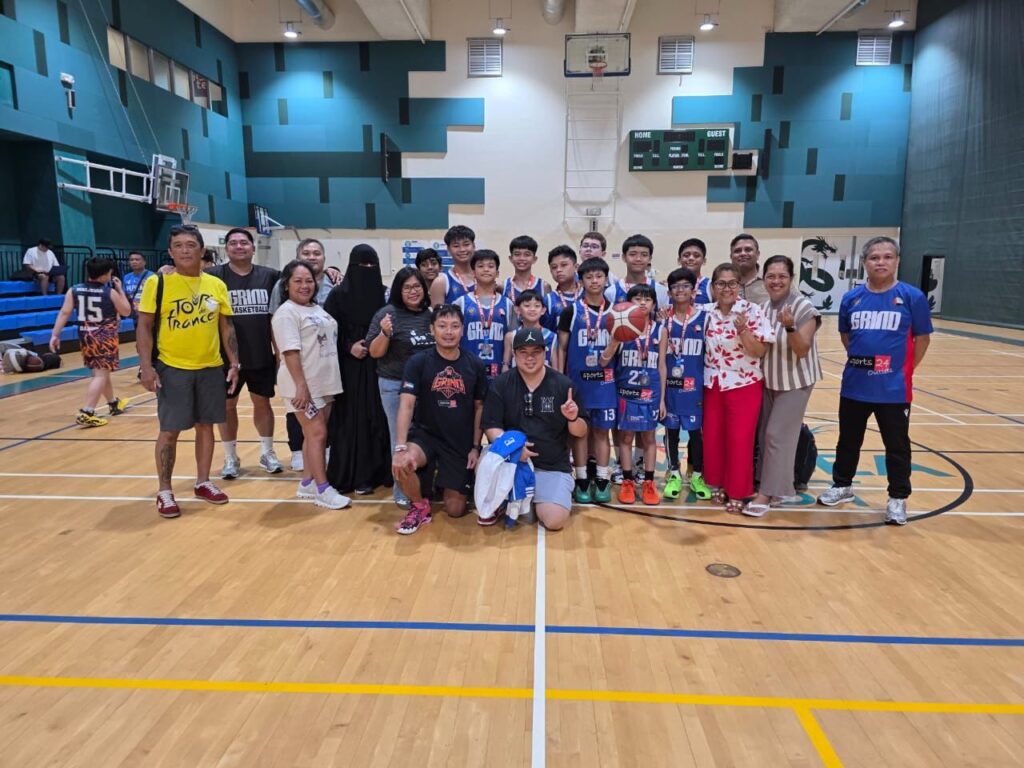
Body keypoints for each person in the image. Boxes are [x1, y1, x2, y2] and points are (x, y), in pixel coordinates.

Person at [817, 237, 932, 525]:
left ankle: (897, 497)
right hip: (855, 385)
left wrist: (902, 369)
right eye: (874, 257)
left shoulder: (912, 297)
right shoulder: (851, 298)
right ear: (865, 262)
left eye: (887, 257)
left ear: (897, 261)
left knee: (897, 445)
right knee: (848, 440)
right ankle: (842, 485)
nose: (881, 262)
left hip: (893, 389)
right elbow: (846, 336)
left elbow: (922, 339)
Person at [136, 225, 240, 519]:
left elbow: (226, 327)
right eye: (178, 245)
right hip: (173, 368)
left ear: (202, 250)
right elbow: (144, 326)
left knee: (206, 426)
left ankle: (203, 481)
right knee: (170, 431)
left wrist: (234, 362)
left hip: (210, 367)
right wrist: (146, 367)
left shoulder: (216, 285)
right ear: (170, 251)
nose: (184, 250)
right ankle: (165, 490)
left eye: (190, 245)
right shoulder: (158, 283)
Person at [391, 304, 488, 535]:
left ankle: (447, 482)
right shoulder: (418, 362)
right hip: (426, 436)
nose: (449, 332)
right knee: (403, 462)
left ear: (462, 330)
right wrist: (400, 447)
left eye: (455, 326)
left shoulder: (474, 364)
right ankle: (419, 506)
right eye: (442, 326)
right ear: (432, 329)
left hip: (458, 442)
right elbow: (406, 404)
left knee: (455, 510)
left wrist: (475, 447)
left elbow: (479, 408)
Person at [482, 328, 589, 530]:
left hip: (551, 466)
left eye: (536, 352)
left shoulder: (563, 385)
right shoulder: (501, 384)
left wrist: (573, 418)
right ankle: (517, 496)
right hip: (510, 464)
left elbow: (580, 432)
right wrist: (513, 449)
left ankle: (533, 495)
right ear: (514, 354)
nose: (529, 358)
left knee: (555, 521)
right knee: (487, 462)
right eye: (523, 352)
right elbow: (491, 427)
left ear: (544, 352)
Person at [743, 256, 823, 517]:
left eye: (782, 276)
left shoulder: (804, 307)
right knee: (764, 435)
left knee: (777, 435)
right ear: (764, 279)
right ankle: (772, 487)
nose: (776, 281)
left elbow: (802, 349)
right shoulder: (763, 307)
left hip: (795, 381)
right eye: (771, 276)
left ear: (791, 279)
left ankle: (767, 493)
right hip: (768, 379)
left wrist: (789, 327)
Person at [271, 260, 350, 509]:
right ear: (286, 285)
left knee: (312, 434)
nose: (305, 286)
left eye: (309, 281)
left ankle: (307, 482)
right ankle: (323, 489)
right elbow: (290, 351)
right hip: (303, 386)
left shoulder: (314, 308)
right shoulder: (286, 313)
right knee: (318, 434)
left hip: (324, 382)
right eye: (298, 281)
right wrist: (301, 386)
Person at [206, 227, 283, 479]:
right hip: (225, 358)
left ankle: (267, 452)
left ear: (253, 247)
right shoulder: (213, 276)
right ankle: (231, 457)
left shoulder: (270, 276)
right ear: (226, 248)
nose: (239, 247)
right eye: (233, 243)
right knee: (227, 406)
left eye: (244, 242)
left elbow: (279, 313)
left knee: (263, 403)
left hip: (260, 353)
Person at [702, 263, 776, 513]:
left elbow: (759, 351)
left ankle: (738, 490)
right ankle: (719, 484)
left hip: (744, 383)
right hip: (713, 382)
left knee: (740, 440)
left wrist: (743, 330)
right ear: (713, 287)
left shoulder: (752, 311)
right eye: (720, 283)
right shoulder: (705, 312)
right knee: (714, 437)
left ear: (739, 286)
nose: (726, 288)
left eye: (732, 283)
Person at [324, 244, 392, 495]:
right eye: (362, 265)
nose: (367, 269)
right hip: (348, 369)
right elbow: (327, 333)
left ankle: (380, 472)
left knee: (378, 418)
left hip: (378, 366)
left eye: (372, 265)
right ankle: (355, 474)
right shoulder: (337, 296)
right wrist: (348, 347)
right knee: (351, 421)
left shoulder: (384, 295)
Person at [367, 267, 435, 507]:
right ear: (398, 290)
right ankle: (401, 490)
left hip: (425, 388)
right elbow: (374, 352)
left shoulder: (428, 315)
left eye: (417, 286)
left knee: (422, 438)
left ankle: (422, 485)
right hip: (395, 386)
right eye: (407, 287)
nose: (413, 291)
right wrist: (385, 333)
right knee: (400, 439)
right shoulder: (387, 314)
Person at [557, 257, 615, 503]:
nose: (594, 281)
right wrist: (560, 381)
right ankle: (581, 479)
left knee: (602, 432)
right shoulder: (570, 312)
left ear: (606, 279)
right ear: (581, 281)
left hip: (606, 384)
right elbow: (561, 349)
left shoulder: (616, 313)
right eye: (589, 277)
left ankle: (601, 479)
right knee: (579, 433)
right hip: (577, 385)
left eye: (599, 276)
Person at [599, 285, 663, 506]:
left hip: (651, 393)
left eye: (648, 299)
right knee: (625, 438)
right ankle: (627, 481)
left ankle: (648, 482)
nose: (643, 303)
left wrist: (662, 399)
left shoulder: (660, 330)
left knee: (649, 438)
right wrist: (614, 343)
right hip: (626, 392)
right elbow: (603, 362)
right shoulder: (620, 328)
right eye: (637, 299)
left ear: (654, 304)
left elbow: (662, 366)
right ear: (628, 304)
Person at [48, 257, 132, 427]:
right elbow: (126, 311)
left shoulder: (74, 290)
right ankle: (87, 411)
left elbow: (64, 312)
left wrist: (55, 335)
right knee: (100, 374)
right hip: (105, 337)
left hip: (86, 336)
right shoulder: (110, 292)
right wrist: (120, 290)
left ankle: (113, 403)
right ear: (105, 275)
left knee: (101, 371)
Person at [659, 267, 711, 501]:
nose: (680, 290)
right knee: (670, 432)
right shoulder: (662, 320)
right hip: (670, 387)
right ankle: (673, 474)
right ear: (669, 292)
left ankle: (698, 475)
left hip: (695, 388)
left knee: (696, 435)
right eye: (675, 286)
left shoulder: (704, 319)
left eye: (685, 286)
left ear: (693, 290)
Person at [453, 249, 516, 381]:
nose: (486, 269)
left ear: (497, 273)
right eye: (481, 266)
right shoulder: (461, 303)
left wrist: (507, 365)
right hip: (467, 372)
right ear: (473, 272)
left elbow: (512, 340)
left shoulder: (508, 304)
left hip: (499, 373)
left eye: (491, 266)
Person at [605, 234, 669, 309]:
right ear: (624, 257)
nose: (638, 259)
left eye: (644, 255)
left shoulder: (660, 291)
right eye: (632, 254)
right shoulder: (611, 292)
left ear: (650, 259)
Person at [503, 289, 556, 369]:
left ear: (543, 310)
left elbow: (556, 369)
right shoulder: (511, 337)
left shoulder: (552, 337)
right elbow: (505, 366)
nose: (532, 309)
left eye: (537, 306)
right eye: (527, 306)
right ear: (517, 309)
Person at [429, 225, 476, 306]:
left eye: (466, 244)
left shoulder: (484, 277)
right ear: (448, 250)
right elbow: (437, 314)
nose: (462, 249)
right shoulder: (441, 282)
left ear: (474, 246)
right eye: (456, 246)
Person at [543, 245, 580, 333]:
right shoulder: (548, 300)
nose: (558, 270)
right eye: (554, 267)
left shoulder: (587, 294)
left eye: (564, 265)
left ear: (576, 267)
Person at [502, 235, 549, 301]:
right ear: (511, 258)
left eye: (527, 255)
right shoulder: (502, 287)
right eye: (517, 254)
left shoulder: (543, 286)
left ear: (534, 259)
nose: (522, 258)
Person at [730, 233, 769, 305]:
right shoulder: (723, 283)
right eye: (737, 251)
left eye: (748, 250)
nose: (743, 254)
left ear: (758, 254)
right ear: (731, 256)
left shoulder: (772, 280)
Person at [121, 251, 155, 322]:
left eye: (137, 259)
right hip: (132, 314)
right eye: (131, 260)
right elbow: (124, 295)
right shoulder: (126, 277)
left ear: (144, 262)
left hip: (148, 312)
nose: (134, 262)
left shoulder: (152, 276)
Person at [677, 238, 712, 305]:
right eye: (686, 255)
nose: (691, 258)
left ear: (704, 261)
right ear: (679, 260)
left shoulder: (710, 286)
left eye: (696, 256)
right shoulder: (669, 285)